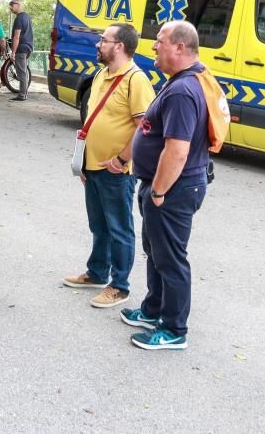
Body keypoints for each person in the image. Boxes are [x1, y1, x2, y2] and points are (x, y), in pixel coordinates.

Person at [123, 20, 210, 350]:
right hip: (164, 186)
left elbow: (177, 149)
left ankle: (174, 330)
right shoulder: (181, 82)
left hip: (173, 189)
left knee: (171, 258)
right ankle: (154, 309)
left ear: (180, 48)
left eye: (160, 41)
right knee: (156, 252)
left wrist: (158, 191)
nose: (153, 47)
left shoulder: (183, 91)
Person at [63, 23, 154, 309]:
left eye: (104, 40)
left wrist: (122, 159)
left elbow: (144, 129)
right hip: (94, 164)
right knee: (98, 224)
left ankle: (120, 286)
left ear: (120, 46)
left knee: (119, 228)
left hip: (116, 169)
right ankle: (97, 272)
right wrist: (85, 162)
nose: (97, 44)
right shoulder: (103, 73)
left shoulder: (135, 80)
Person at [7, 0, 33, 102]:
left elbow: (16, 37)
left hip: (21, 48)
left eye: (11, 6)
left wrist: (13, 52)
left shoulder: (19, 19)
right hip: (28, 47)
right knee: (23, 71)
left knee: (21, 73)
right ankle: (23, 93)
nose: (11, 9)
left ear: (18, 5)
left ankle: (22, 95)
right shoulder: (27, 17)